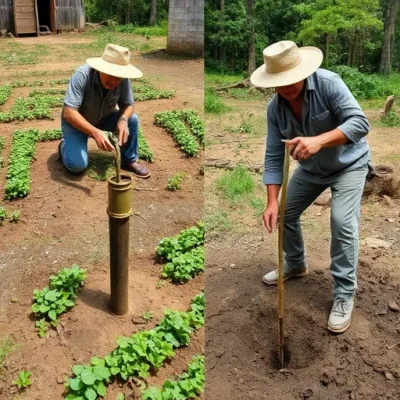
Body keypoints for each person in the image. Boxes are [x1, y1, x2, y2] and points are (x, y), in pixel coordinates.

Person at [250, 41, 370, 333]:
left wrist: (319, 140)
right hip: (311, 170)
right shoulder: (274, 109)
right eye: (279, 83)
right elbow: (273, 155)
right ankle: (295, 264)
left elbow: (360, 123)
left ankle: (344, 293)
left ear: (302, 71)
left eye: (291, 80)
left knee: (342, 222)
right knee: (284, 214)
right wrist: (271, 201)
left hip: (348, 165)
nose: (286, 87)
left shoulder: (329, 84)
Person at [59, 43, 150, 178]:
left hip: (103, 118)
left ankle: (129, 160)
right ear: (101, 68)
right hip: (77, 123)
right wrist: (95, 132)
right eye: (111, 75)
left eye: (118, 78)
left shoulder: (123, 79)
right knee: (77, 166)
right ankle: (63, 146)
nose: (114, 81)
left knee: (132, 119)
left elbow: (129, 104)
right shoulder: (82, 75)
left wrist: (123, 120)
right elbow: (69, 112)